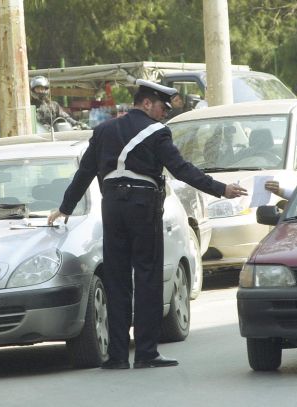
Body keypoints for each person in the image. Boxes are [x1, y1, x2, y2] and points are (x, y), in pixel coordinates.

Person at [47, 79, 247, 369]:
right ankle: (146, 352)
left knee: (116, 280)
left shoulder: (103, 131)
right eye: (162, 109)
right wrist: (220, 188)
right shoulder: (157, 132)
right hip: (142, 207)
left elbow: (85, 173)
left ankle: (116, 356)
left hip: (112, 208)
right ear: (147, 103)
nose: (163, 115)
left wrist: (65, 207)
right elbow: (181, 169)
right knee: (147, 278)